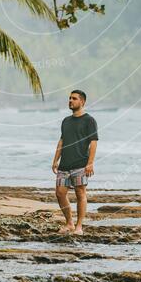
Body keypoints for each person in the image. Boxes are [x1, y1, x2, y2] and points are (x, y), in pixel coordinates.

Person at [51, 89, 98, 236]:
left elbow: (93, 142)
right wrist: (55, 160)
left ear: (82, 102)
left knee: (80, 194)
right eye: (70, 98)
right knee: (60, 193)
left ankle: (79, 226)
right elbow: (62, 141)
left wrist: (90, 163)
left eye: (74, 99)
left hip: (80, 164)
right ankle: (69, 223)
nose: (71, 101)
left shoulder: (89, 120)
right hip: (64, 165)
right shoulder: (66, 121)